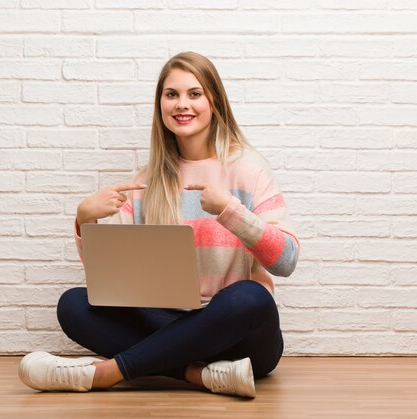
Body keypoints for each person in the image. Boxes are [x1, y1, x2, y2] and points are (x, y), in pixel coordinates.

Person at [18, 51, 299, 398]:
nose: (182, 104)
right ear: (160, 105)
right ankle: (198, 374)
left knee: (250, 297)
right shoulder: (145, 182)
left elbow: (286, 260)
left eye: (194, 93)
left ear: (214, 101)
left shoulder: (248, 168)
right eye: (171, 94)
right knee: (73, 305)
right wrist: (86, 220)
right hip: (166, 324)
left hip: (238, 336)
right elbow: (111, 281)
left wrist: (230, 209)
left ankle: (106, 373)